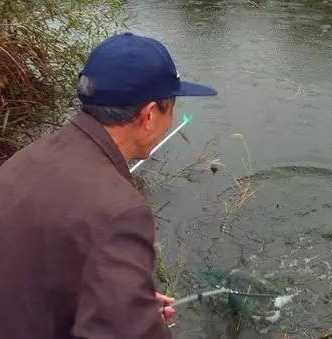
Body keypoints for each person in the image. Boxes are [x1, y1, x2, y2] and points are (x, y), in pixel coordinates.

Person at [0, 32, 216, 338]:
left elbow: (30, 265)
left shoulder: (26, 159)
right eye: (172, 107)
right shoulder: (120, 211)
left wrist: (125, 300)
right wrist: (134, 320)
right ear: (150, 115)